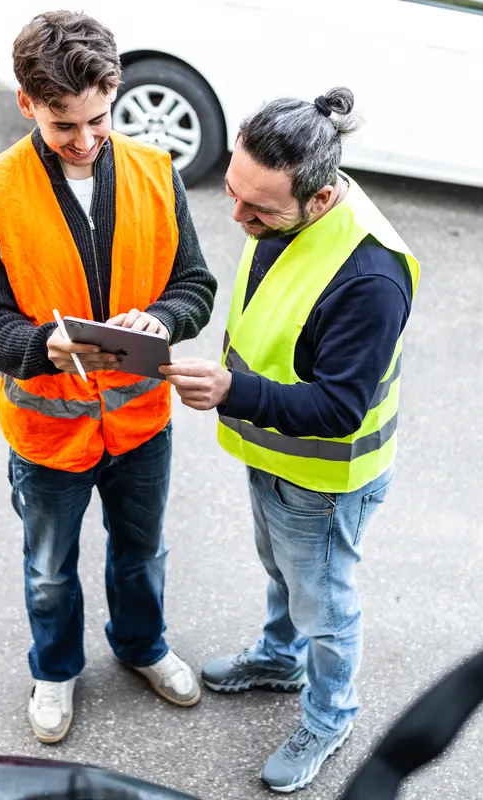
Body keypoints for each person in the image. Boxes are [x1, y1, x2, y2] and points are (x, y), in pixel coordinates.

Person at [0, 10, 217, 744]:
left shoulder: (156, 173)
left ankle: (141, 646)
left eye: (99, 119)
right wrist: (47, 347)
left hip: (140, 425)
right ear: (27, 102)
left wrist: (162, 320)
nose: (85, 139)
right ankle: (55, 669)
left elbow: (195, 285)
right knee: (48, 570)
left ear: (115, 91)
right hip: (48, 436)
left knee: (142, 553)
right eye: (63, 124)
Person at [160, 87, 420, 792]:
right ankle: (279, 658)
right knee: (283, 572)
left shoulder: (371, 278)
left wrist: (231, 391)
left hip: (324, 480)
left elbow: (339, 408)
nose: (238, 217)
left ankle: (330, 717)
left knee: (325, 607)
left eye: (259, 210)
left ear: (321, 199)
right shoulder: (287, 208)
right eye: (234, 193)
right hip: (274, 453)